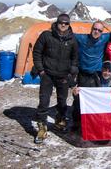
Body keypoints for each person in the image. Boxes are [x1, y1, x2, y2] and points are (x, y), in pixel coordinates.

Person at [32, 13, 78, 144]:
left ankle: (60, 121)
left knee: (62, 101)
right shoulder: (46, 35)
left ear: (69, 25)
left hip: (63, 76)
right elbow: (37, 52)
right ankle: (42, 127)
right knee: (44, 100)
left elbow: (75, 59)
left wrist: (71, 74)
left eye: (66, 23)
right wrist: (41, 70)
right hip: (47, 74)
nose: (63, 25)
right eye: (61, 22)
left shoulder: (72, 40)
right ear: (57, 23)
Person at [72, 21, 110, 129]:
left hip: (96, 74)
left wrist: (105, 24)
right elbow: (68, 33)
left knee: (95, 100)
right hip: (82, 73)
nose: (96, 31)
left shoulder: (105, 38)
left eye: (99, 30)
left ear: (102, 32)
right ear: (91, 29)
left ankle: (93, 123)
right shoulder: (82, 38)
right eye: (95, 29)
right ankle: (77, 122)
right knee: (78, 98)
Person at [71, 61, 111, 131]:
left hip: (104, 106)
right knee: (77, 103)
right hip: (92, 105)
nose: (107, 73)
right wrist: (75, 94)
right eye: (105, 70)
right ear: (102, 69)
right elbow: (83, 93)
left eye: (109, 71)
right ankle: (77, 122)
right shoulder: (92, 79)